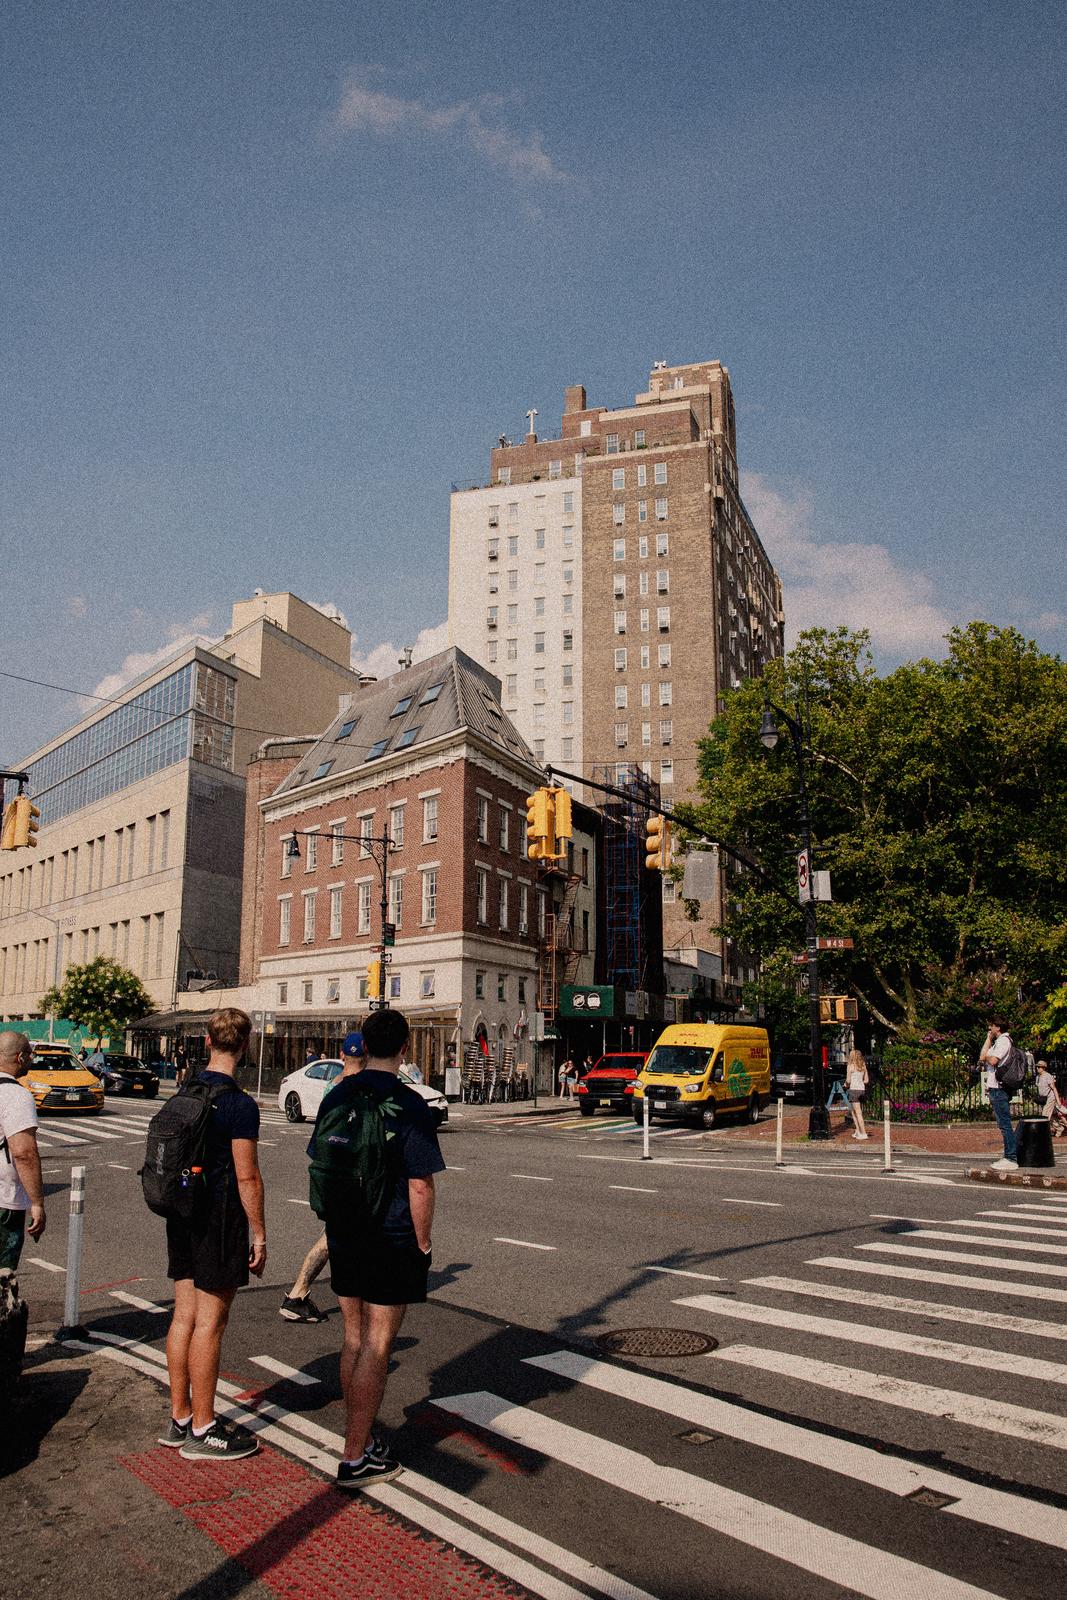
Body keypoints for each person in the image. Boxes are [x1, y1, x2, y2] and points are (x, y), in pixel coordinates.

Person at [311, 1007, 444, 1488]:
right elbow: (421, 1186)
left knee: (353, 1337)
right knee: (379, 1343)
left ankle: (362, 1440)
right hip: (390, 1235)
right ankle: (353, 1456)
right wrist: (423, 1243)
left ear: (363, 1046)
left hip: (344, 1230)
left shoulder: (337, 1095)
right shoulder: (410, 1105)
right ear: (405, 1048)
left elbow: (320, 1159)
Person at [160, 1008, 266, 1461]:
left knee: (183, 1316)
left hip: (181, 1213)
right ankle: (204, 1430)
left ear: (207, 1041)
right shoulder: (239, 1104)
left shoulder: (187, 1090)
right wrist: (258, 1233)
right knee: (211, 1322)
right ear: (245, 1045)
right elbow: (248, 1177)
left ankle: (180, 1416)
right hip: (219, 1220)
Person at [279, 1029, 367, 1324]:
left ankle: (312, 1294)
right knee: (334, 1236)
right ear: (366, 1056)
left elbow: (320, 1136)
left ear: (343, 1055)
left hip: (327, 1169)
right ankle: (297, 1295)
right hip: (349, 1175)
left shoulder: (333, 1087)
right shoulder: (361, 1091)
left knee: (339, 1234)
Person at [0, 1031, 46, 1271]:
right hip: (4, 1201)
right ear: (20, 1057)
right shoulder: (16, 1095)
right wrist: (37, 1202)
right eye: (30, 1054)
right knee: (3, 1277)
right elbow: (24, 1153)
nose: (31, 1059)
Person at [979, 1016, 1018, 1171]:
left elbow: (992, 1060)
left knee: (1005, 1125)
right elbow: (983, 1056)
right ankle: (1009, 1155)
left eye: (991, 1027)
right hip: (996, 1087)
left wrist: (986, 1057)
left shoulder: (1003, 1041)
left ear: (998, 1027)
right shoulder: (997, 1041)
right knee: (1003, 1124)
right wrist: (988, 1039)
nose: (990, 1029)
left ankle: (1011, 1157)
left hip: (999, 1087)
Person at [1036, 1060, 1067, 1137]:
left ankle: (1044, 1134)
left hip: (1050, 1098)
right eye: (1037, 1066)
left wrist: (1058, 1101)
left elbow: (1054, 1089)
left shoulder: (1048, 1076)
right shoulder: (1038, 1077)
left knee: (1045, 1115)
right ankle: (1059, 1128)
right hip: (1044, 1099)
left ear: (1043, 1068)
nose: (1037, 1068)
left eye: (1039, 1067)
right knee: (1052, 1116)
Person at [846, 1047, 869, 1140]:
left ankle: (863, 1133)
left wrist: (846, 1084)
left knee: (858, 1112)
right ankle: (857, 1130)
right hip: (862, 1090)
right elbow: (866, 1080)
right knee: (853, 1111)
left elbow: (848, 1080)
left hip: (854, 1090)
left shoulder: (850, 1066)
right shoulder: (863, 1066)